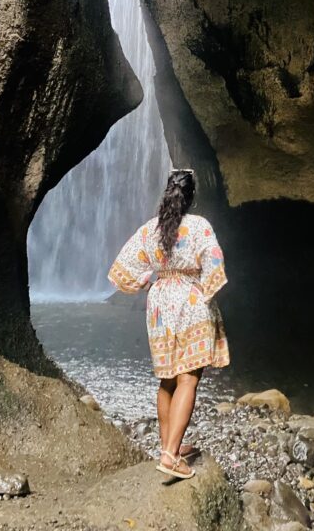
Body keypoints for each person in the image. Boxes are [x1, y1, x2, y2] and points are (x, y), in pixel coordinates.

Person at [108, 169, 229, 480]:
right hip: (190, 301)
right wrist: (202, 288)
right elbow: (215, 265)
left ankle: (169, 444)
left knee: (167, 380)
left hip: (160, 305)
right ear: (191, 196)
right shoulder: (199, 226)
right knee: (188, 379)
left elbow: (122, 268)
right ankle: (170, 455)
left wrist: (150, 279)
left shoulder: (151, 230)